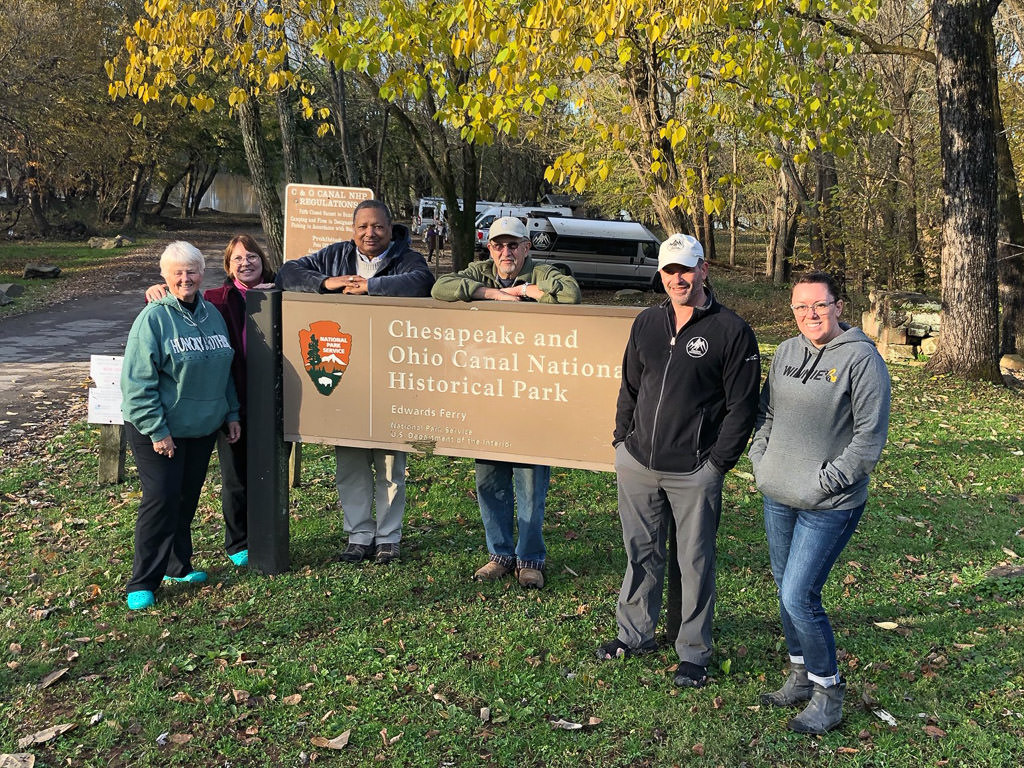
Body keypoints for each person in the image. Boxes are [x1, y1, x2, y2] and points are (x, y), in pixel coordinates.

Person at [598, 233, 760, 689]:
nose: (677, 278)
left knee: (694, 561)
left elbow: (741, 408)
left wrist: (716, 465)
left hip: (694, 470)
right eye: (669, 271)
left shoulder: (732, 331)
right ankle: (634, 635)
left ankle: (692, 651)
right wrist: (621, 441)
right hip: (638, 463)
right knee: (640, 553)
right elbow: (631, 386)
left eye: (685, 269)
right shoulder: (647, 322)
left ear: (703, 269)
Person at [748, 271, 890, 734]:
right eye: (801, 306)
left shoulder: (862, 360)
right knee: (782, 585)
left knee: (799, 594)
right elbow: (767, 412)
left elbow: (869, 441)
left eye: (819, 305)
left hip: (829, 503)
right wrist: (761, 460)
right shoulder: (787, 351)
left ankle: (829, 692)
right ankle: (800, 674)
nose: (810, 314)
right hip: (779, 493)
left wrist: (827, 481)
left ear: (839, 306)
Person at [276, 199, 434, 565]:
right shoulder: (335, 257)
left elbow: (422, 283)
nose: (370, 233)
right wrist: (326, 282)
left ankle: (389, 537)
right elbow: (288, 273)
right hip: (345, 377)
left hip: (390, 377)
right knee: (350, 463)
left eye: (378, 226)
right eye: (363, 226)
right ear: (353, 229)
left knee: (391, 465)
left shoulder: (407, 260)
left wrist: (372, 287)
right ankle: (359, 533)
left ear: (390, 228)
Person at [431, 216, 581, 588]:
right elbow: (441, 287)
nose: (505, 251)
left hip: (532, 396)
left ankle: (530, 558)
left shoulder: (544, 272)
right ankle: (499, 553)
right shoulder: (480, 272)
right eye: (498, 245)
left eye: (513, 244)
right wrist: (494, 295)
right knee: (489, 481)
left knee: (530, 483)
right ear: (490, 249)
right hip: (488, 397)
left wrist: (531, 293)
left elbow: (570, 295)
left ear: (527, 247)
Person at [121, 241, 241, 610]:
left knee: (186, 497)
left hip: (202, 425)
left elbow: (224, 369)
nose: (185, 278)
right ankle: (143, 581)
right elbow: (137, 383)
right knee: (161, 499)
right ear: (165, 276)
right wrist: (158, 430)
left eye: (191, 271)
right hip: (157, 426)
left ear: (202, 274)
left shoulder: (212, 314)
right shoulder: (153, 318)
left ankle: (178, 565)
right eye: (177, 272)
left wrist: (231, 413)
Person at [146, 234, 275, 569]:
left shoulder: (281, 293)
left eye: (252, 256)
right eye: (237, 259)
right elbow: (176, 303)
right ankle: (238, 542)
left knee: (269, 472)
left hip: (275, 401)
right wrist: (156, 291)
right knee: (235, 477)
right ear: (228, 267)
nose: (246, 263)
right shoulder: (216, 301)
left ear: (263, 259)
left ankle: (269, 533)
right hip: (231, 402)